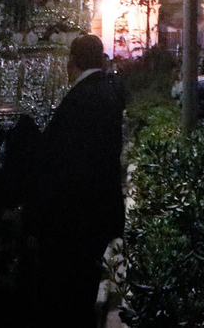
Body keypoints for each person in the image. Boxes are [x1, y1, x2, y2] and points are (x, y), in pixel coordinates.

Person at [26, 33, 125, 327]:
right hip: (95, 215)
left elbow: (65, 164)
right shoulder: (107, 90)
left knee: (70, 299)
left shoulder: (82, 98)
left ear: (70, 63)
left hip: (75, 222)